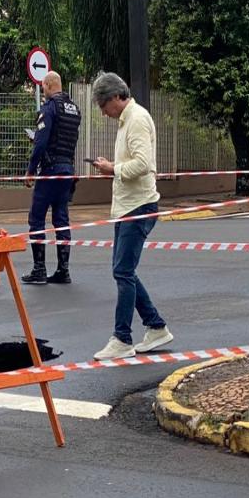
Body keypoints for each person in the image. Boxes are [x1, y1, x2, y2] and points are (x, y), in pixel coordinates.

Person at [90, 73, 175, 360]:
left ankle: (122, 338)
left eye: (103, 105)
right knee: (123, 270)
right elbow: (134, 163)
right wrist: (112, 167)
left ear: (116, 97)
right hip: (130, 205)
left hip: (138, 206)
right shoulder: (129, 119)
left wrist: (112, 169)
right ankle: (155, 326)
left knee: (123, 271)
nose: (103, 112)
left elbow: (143, 164)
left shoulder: (136, 119)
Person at [22, 71, 81, 285]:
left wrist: (30, 170)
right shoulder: (74, 110)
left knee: (37, 218)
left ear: (47, 85)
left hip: (49, 171)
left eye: (43, 87)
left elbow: (41, 143)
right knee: (61, 219)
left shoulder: (49, 108)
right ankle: (63, 271)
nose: (43, 91)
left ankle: (39, 269)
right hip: (67, 171)